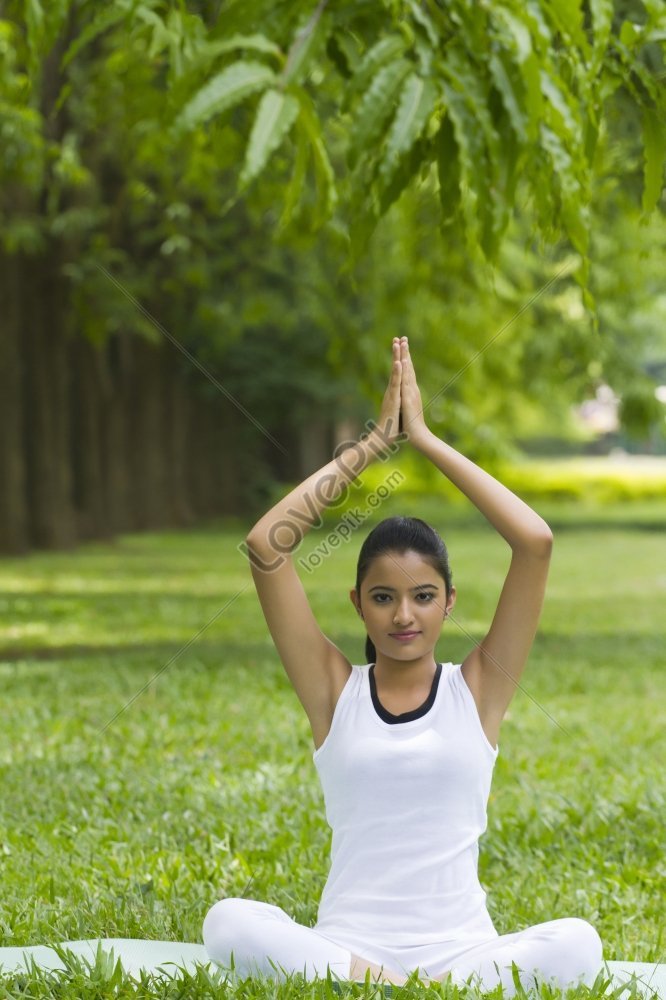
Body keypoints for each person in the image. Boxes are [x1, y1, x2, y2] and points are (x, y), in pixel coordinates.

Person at [202, 337, 604, 991]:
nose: (404, 616)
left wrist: (423, 439)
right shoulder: (334, 691)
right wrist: (370, 450)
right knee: (228, 922)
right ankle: (380, 983)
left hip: (464, 955)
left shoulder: (478, 690)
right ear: (359, 604)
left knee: (579, 943)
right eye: (384, 598)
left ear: (449, 603)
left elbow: (534, 542)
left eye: (422, 597)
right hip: (348, 949)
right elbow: (265, 549)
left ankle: (410, 989)